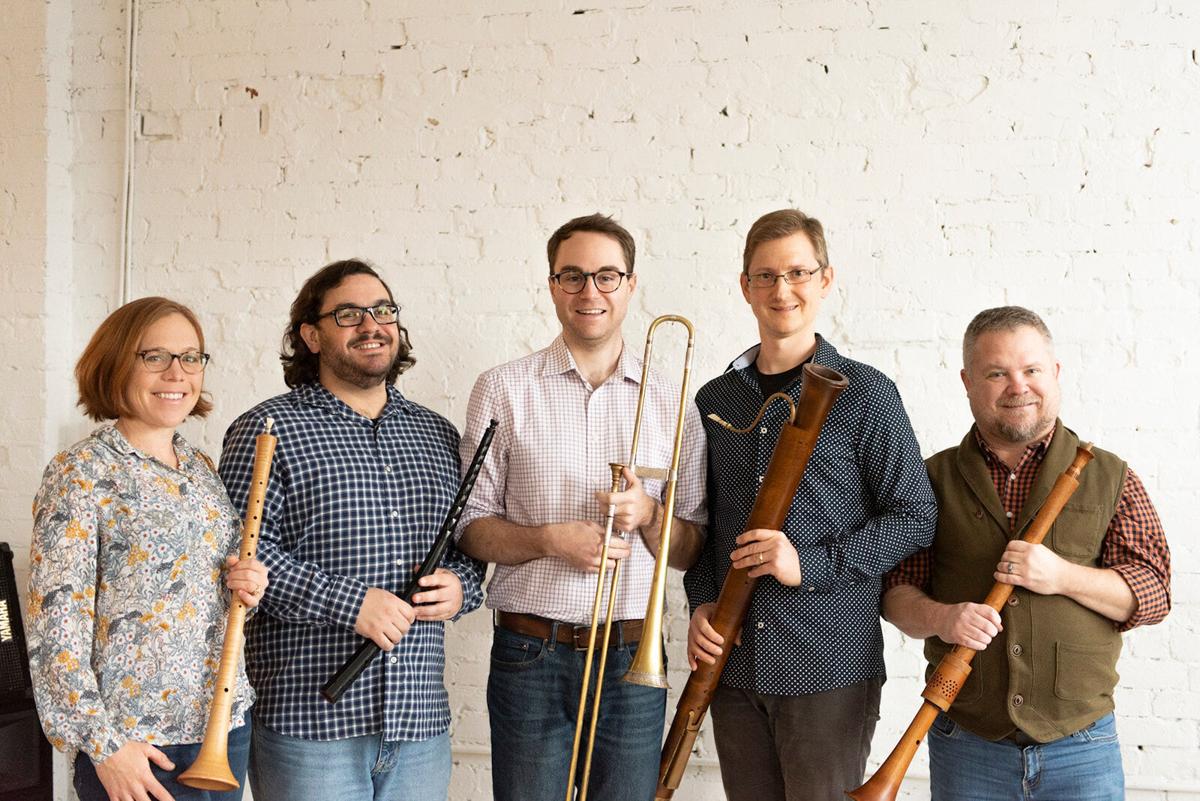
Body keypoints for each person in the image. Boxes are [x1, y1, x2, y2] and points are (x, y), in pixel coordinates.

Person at [683, 209, 937, 801]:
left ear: (825, 279)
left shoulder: (867, 392)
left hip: (828, 666)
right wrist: (701, 605)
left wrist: (809, 563)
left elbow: (916, 515)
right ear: (745, 286)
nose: (782, 289)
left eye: (798, 272)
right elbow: (704, 525)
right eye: (766, 276)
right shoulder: (714, 398)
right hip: (734, 663)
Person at [455, 213, 707, 801]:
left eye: (606, 276)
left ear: (631, 286)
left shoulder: (674, 397)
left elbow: (693, 546)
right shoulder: (502, 389)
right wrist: (547, 540)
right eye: (572, 276)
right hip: (529, 654)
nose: (589, 291)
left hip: (632, 656)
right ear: (551, 286)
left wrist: (648, 514)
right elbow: (470, 528)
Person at [219, 259, 484, 801]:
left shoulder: (437, 434)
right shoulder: (266, 428)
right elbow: (239, 557)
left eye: (383, 310)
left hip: (419, 723)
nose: (372, 324)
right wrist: (351, 603)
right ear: (311, 336)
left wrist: (463, 587)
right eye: (349, 314)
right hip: (309, 724)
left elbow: (467, 546)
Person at [882, 305, 1171, 800]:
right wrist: (942, 617)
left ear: (1054, 374)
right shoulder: (930, 479)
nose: (1018, 386)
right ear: (968, 382)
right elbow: (894, 595)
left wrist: (1062, 576)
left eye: (1032, 370)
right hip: (967, 742)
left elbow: (1153, 595)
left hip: (1081, 743)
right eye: (997, 373)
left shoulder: (1110, 474)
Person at [27, 297, 268, 801]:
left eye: (190, 357)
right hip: (135, 744)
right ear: (116, 362)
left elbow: (205, 587)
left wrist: (246, 583)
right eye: (154, 356)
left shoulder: (200, 467)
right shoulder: (81, 472)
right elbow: (56, 625)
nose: (176, 373)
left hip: (221, 728)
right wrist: (105, 745)